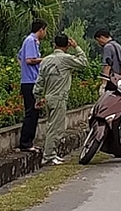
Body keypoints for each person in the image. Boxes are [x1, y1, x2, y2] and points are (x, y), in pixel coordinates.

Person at [34, 34, 88, 165]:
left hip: (48, 97)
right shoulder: (65, 59)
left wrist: (37, 97)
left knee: (51, 126)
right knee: (56, 129)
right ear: (67, 46)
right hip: (59, 98)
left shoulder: (46, 60)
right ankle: (48, 156)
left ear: (54, 45)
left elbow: (39, 81)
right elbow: (84, 63)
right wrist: (77, 47)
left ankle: (51, 153)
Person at [17, 19, 47, 152]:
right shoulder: (31, 41)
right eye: (44, 30)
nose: (45, 33)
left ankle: (29, 141)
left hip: (29, 79)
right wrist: (44, 60)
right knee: (31, 112)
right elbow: (29, 60)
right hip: (30, 81)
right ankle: (26, 143)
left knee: (34, 112)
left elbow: (20, 57)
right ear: (40, 30)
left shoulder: (31, 41)